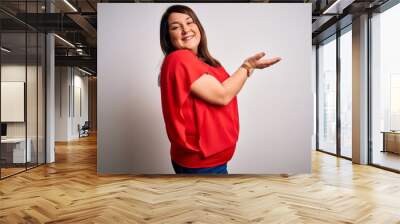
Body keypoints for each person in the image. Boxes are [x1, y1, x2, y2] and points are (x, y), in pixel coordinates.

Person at [159, 5, 281, 174]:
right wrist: (247, 66)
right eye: (176, 27)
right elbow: (222, 95)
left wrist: (249, 69)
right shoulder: (180, 58)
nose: (185, 29)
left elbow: (228, 87)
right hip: (201, 162)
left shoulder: (204, 61)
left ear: (198, 26)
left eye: (189, 22)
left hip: (212, 160)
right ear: (168, 36)